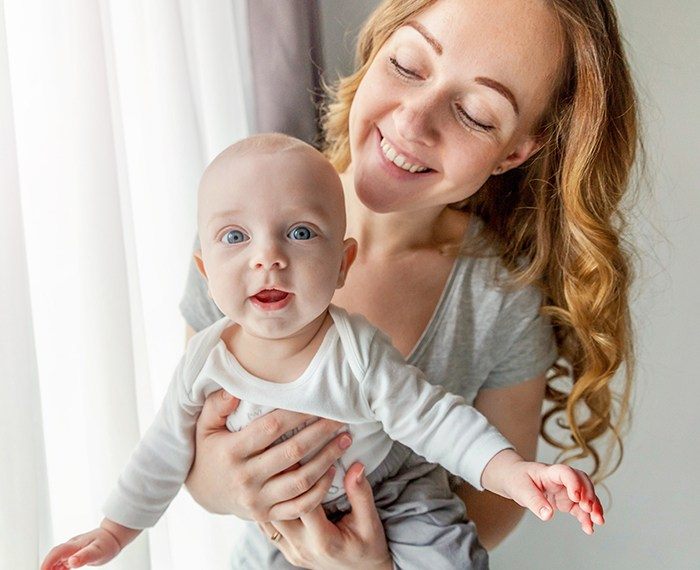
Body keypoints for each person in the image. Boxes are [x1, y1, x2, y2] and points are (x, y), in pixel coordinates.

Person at [180, 0, 638, 567]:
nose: (413, 122)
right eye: (409, 65)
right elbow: (191, 448)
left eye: (473, 112)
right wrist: (220, 486)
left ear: (516, 150)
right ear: (377, 47)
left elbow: (491, 510)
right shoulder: (242, 240)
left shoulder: (500, 300)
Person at [40, 134, 604, 570]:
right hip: (280, 521)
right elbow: (165, 450)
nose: (268, 257)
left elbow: (432, 418)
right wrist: (114, 531)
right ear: (206, 272)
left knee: (443, 555)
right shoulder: (205, 361)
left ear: (342, 264)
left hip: (389, 491)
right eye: (236, 237)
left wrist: (511, 474)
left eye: (301, 233)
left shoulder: (355, 350)